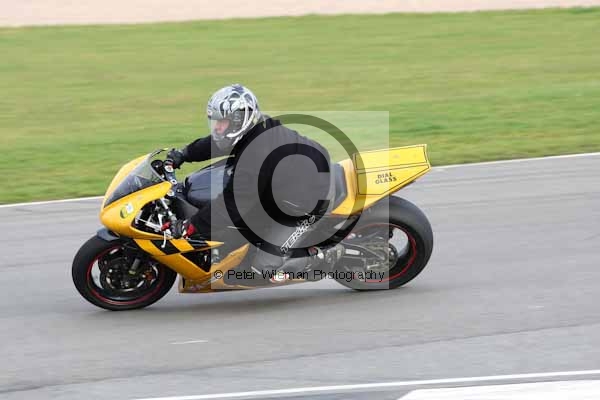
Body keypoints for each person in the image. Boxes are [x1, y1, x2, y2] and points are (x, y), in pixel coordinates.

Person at [165, 84, 343, 283]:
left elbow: (233, 204)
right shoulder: (251, 129)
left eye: (222, 122)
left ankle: (324, 255)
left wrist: (193, 225)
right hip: (288, 186)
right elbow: (217, 142)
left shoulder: (257, 152)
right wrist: (184, 154)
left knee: (263, 269)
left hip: (309, 201)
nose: (217, 127)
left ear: (238, 121)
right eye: (215, 122)